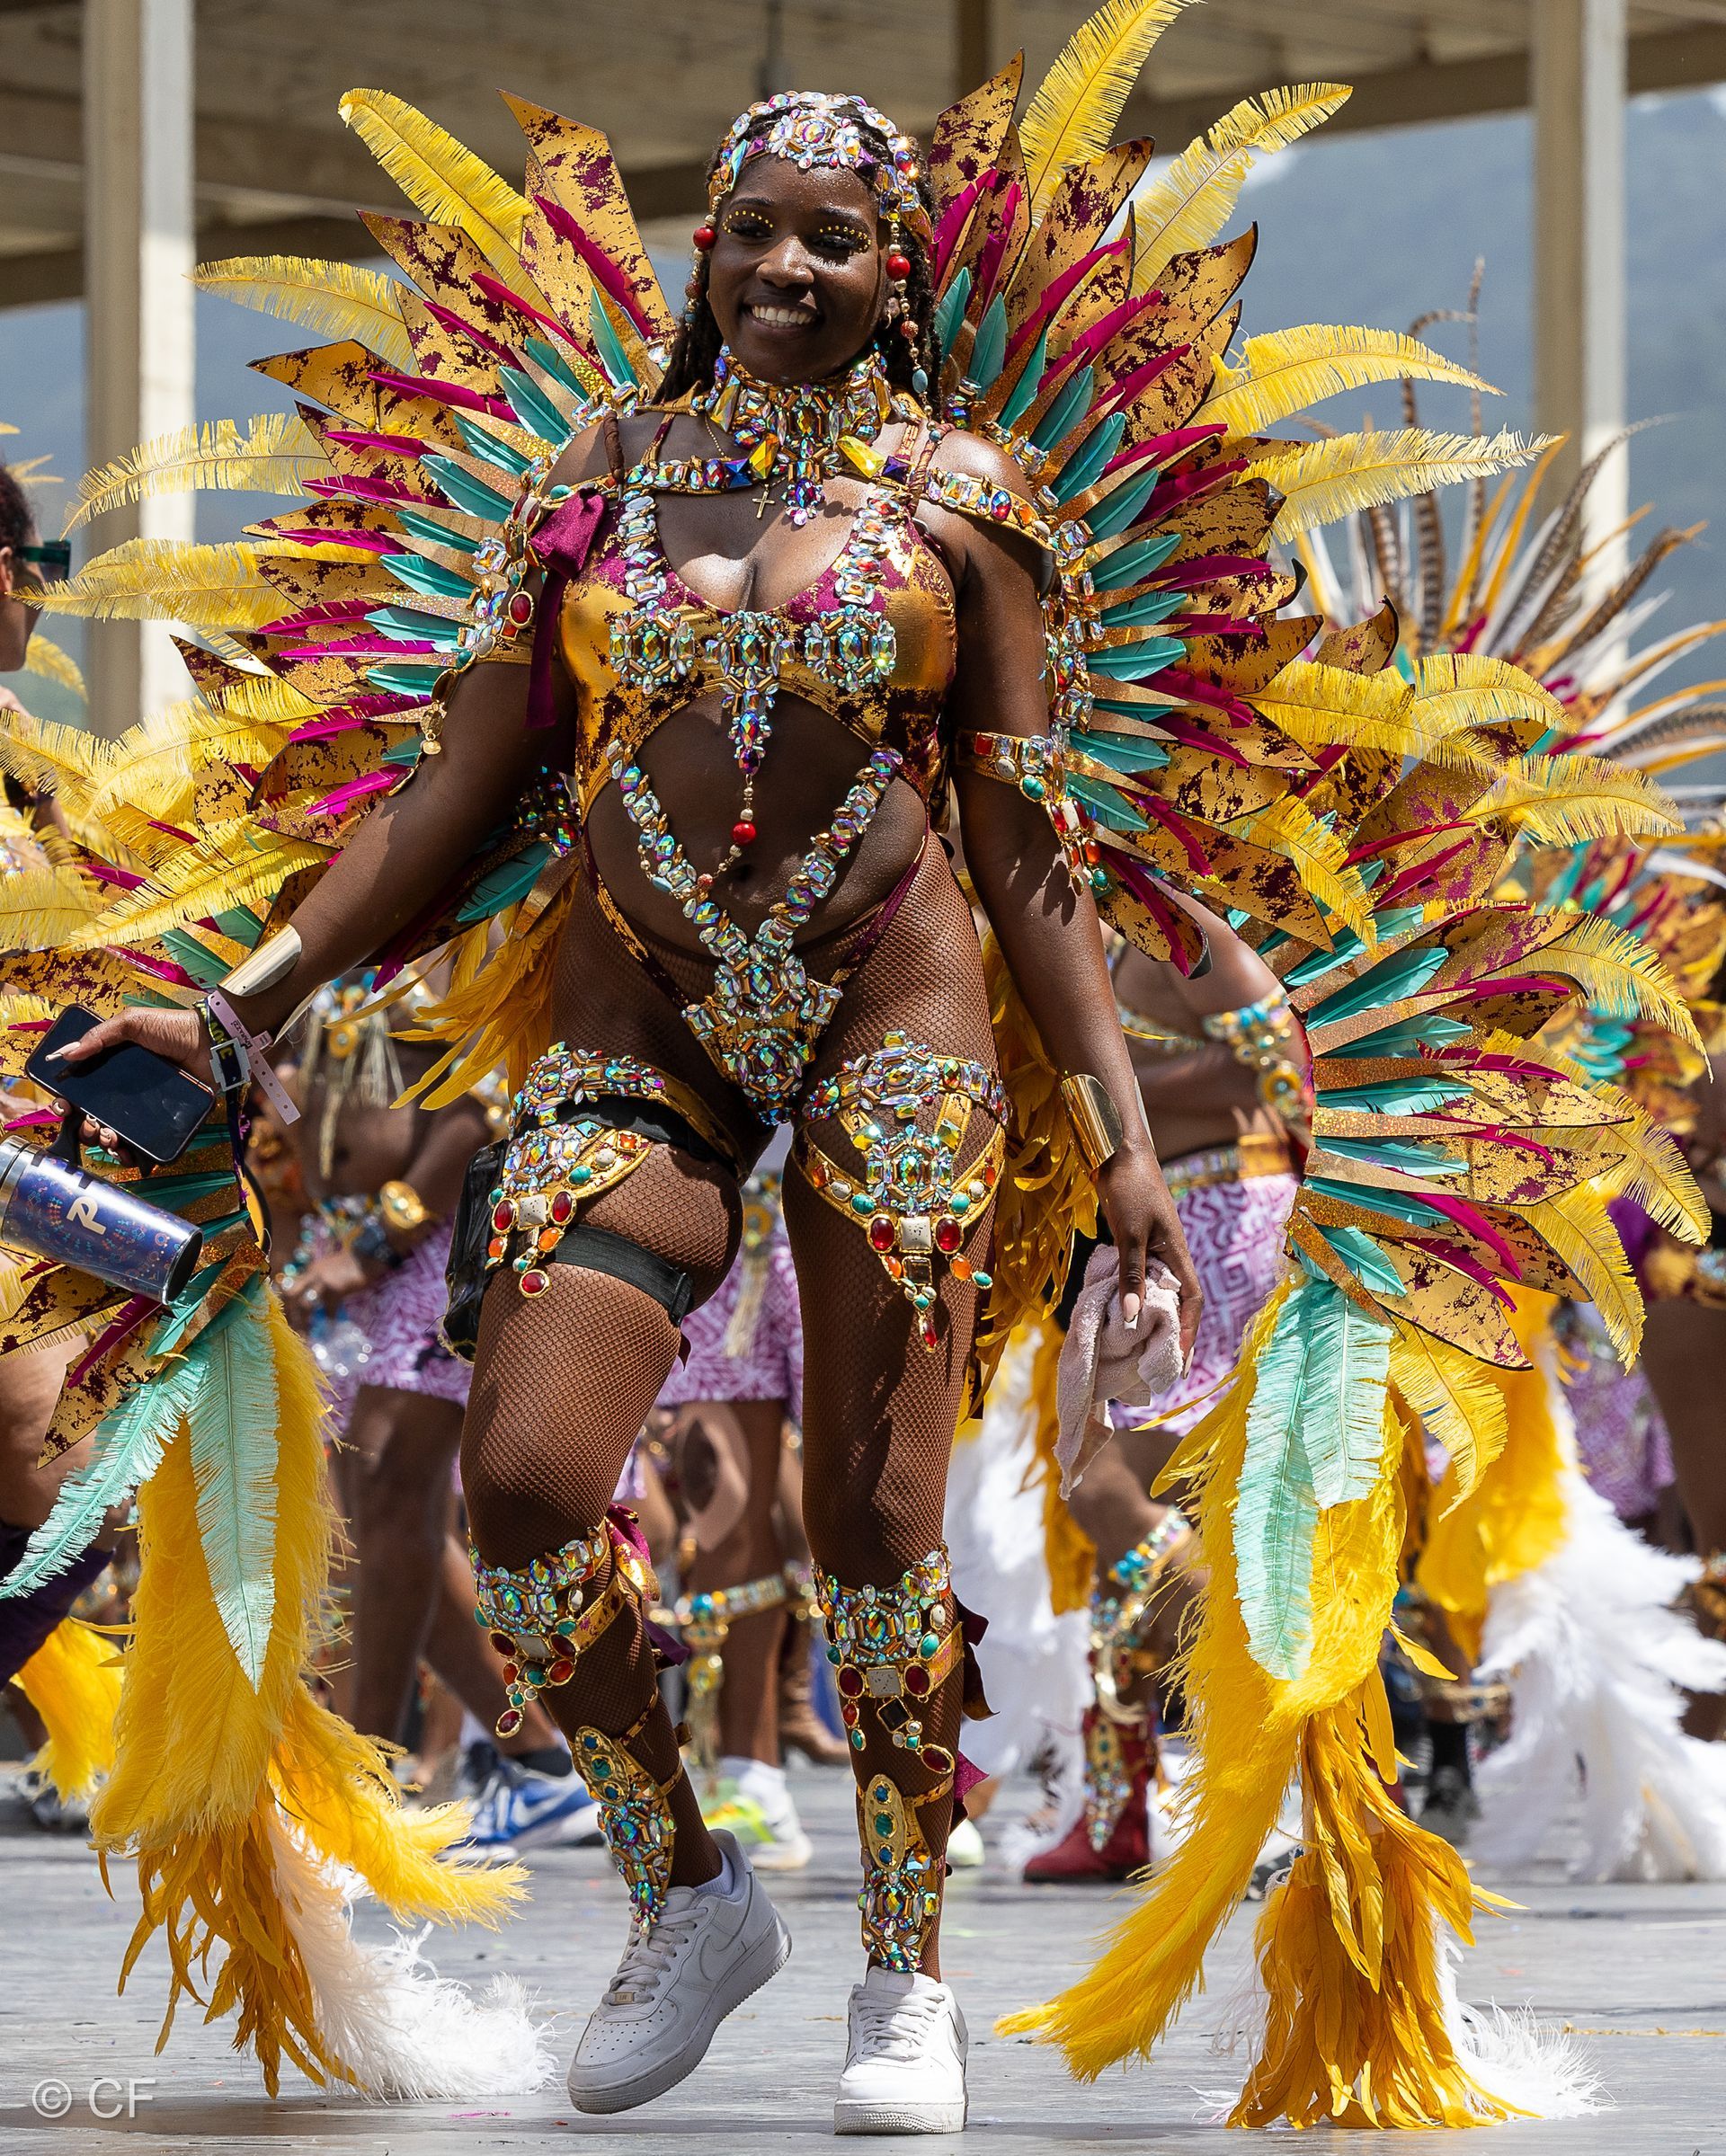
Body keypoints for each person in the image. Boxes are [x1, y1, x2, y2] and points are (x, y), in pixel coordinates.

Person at [7, 8, 1667, 2128]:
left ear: (902, 272)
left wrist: (1118, 1133)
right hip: (643, 1030)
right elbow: (460, 786)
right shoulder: (594, 479)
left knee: (873, 1519)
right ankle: (684, 1881)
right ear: (705, 251)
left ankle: (904, 1971)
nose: (786, 271)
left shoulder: (969, 506)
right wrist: (240, 1003)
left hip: (902, 1027)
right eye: (752, 233)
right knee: (524, 1482)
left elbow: (1024, 847)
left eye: (834, 241)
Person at [280, 977, 600, 1848]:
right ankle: (537, 1764)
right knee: (382, 1512)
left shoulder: (428, 936)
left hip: (427, 1249)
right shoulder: (306, 922)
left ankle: (363, 1777)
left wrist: (379, 1242)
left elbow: (478, 1097)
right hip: (341, 1254)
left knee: (388, 1494)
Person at [1027, 901, 1299, 1881]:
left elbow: (1282, 1072)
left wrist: (1117, 1100)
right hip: (1166, 1228)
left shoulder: (1193, 931)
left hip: (1225, 1219)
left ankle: (1262, 1776)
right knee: (1155, 1511)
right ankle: (1122, 1806)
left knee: (1104, 1491)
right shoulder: (1116, 945)